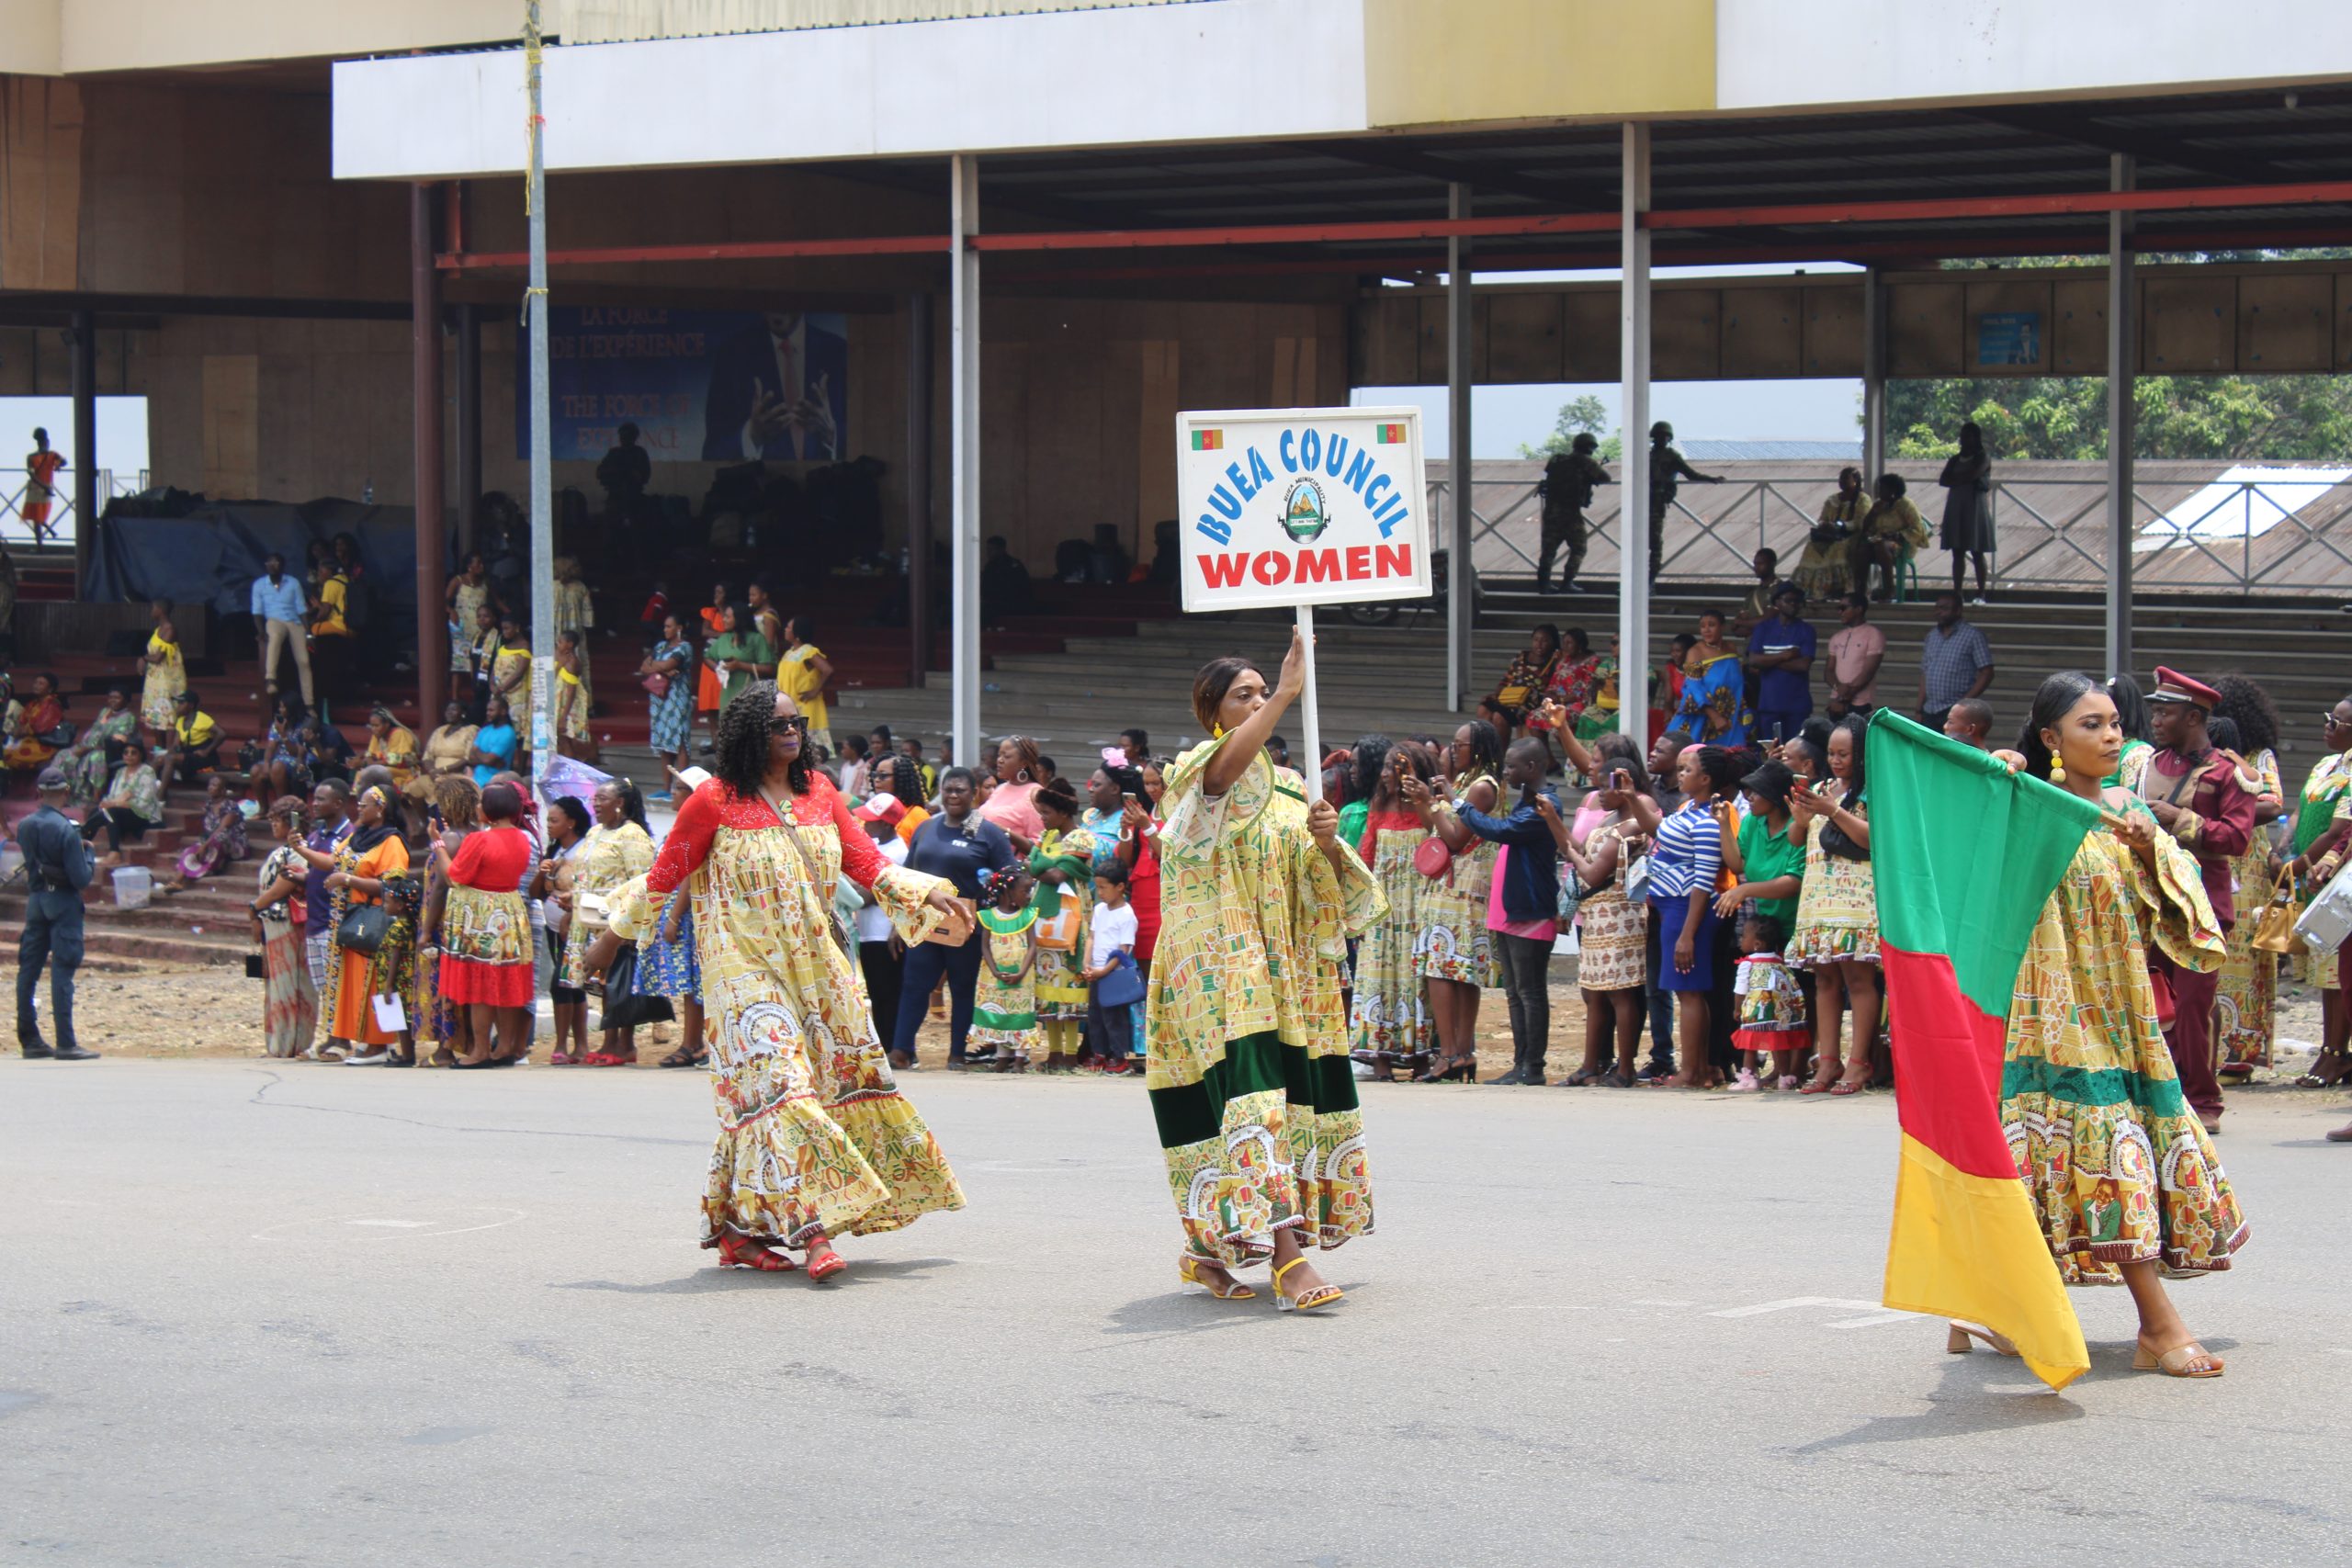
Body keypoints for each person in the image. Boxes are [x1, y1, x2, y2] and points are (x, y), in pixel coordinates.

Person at [601, 680, 968, 1278]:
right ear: (750, 732)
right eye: (779, 725)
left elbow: (868, 864)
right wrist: (604, 942)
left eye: (796, 722)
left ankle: (734, 1229)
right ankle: (816, 1231)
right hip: (742, 972)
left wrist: (928, 891)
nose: (792, 732)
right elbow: (664, 876)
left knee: (771, 1097)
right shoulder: (713, 801)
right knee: (784, 1090)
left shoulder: (821, 792)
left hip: (817, 968)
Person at [1984, 671, 2245, 1377]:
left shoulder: (2130, 806)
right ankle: (2157, 1325)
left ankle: (1989, 1304)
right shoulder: (2027, 801)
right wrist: (1999, 776)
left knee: (2094, 1150)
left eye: (2112, 723)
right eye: (2089, 724)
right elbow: (1970, 866)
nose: (2109, 734)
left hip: (2123, 1007)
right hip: (2054, 1010)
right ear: (2050, 739)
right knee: (2105, 1152)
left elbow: (2186, 905)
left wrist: (2147, 846)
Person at [1153, 632, 1383, 1310]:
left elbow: (1321, 892)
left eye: (1262, 690)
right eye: (1242, 694)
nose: (1257, 700)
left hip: (1282, 964)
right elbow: (1221, 779)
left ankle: (1207, 1251)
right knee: (1247, 1095)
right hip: (1216, 963)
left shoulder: (1289, 786)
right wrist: (1285, 691)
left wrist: (1327, 843)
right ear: (1212, 710)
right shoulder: (1193, 771)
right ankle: (1287, 1258)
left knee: (1271, 1100)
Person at [2138, 668, 2257, 1134]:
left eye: (2165, 712)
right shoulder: (2145, 765)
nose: (2156, 720)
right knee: (2150, 1000)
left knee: (2192, 1005)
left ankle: (2202, 1098)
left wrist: (2180, 819)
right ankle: (2160, 1091)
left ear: (2193, 716)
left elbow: (2237, 838)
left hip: (2201, 905)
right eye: (2155, 711)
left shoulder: (2230, 773)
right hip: (2149, 900)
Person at [1399, 722, 1505, 1083]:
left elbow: (1457, 839)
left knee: (1445, 970)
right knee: (1456, 972)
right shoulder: (1462, 785)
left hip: (1460, 891)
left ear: (1476, 750)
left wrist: (1434, 802)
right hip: (1448, 887)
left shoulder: (1482, 787)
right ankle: (1460, 1053)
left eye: (1460, 745)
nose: (1452, 751)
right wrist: (1422, 800)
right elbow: (1434, 826)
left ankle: (1449, 1053)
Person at [1453, 737, 1561, 1086]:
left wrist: (1460, 805)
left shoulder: (1545, 806)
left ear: (1532, 767)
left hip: (1530, 910)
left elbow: (1500, 831)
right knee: (1515, 993)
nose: (1507, 772)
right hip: (1512, 909)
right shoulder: (1527, 803)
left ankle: (1534, 1066)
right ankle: (1521, 1065)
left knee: (1530, 992)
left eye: (1513, 767)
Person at [894, 766, 1015, 1070]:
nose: (952, 795)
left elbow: (1011, 875)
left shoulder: (989, 833)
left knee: (963, 988)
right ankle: (902, 1049)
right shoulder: (926, 829)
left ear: (974, 794)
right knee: (914, 985)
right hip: (926, 922)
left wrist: (994, 914)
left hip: (967, 926)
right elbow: (908, 875)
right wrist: (899, 923)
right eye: (948, 789)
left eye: (960, 790)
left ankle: (957, 1053)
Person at [1544, 736, 1648, 1086]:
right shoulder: (1608, 821)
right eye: (1600, 786)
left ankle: (1625, 1068)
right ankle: (1590, 1064)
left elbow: (1589, 871)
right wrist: (1554, 823)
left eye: (1608, 787)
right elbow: (1578, 850)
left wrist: (1573, 858)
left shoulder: (1632, 824)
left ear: (1626, 786)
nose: (1600, 793)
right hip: (1597, 915)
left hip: (1620, 914)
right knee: (1594, 992)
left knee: (1621, 993)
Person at [1789, 716, 1879, 1096]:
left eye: (1845, 754)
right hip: (1817, 894)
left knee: (1858, 980)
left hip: (1856, 898)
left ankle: (1859, 1063)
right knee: (1824, 979)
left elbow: (1874, 839)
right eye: (1832, 753)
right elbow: (1798, 839)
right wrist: (1801, 819)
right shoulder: (1822, 787)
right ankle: (1827, 1060)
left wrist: (1833, 811)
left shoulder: (1873, 791)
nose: (1837, 760)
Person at [290, 783, 411, 1068]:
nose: (359, 808)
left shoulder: (392, 842)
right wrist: (301, 850)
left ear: (380, 809)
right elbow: (332, 861)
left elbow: (392, 885)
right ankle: (361, 1040)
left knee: (378, 982)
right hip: (350, 921)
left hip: (376, 920)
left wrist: (349, 881)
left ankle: (381, 1043)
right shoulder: (358, 838)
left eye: (365, 804)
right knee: (354, 983)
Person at [1644, 745, 1739, 1089]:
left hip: (1687, 908)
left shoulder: (1709, 820)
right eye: (1680, 769)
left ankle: (1690, 1071)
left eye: (1687, 769)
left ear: (1706, 778)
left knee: (1689, 990)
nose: (1681, 774)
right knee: (1688, 989)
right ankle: (1698, 1068)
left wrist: (1688, 932)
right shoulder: (1687, 808)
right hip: (1672, 905)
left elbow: (1703, 878)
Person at [2211, 675, 2285, 1080]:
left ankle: (2240, 1053)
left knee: (2245, 955)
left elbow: (2274, 803)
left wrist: (2228, 813)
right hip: (2216, 855)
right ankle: (2209, 1050)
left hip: (2247, 864)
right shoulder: (2208, 755)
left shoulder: (2258, 756)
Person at [434, 780, 537, 1068]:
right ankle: (504, 1047)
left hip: (481, 917)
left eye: (481, 803)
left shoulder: (480, 839)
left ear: (490, 808)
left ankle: (480, 1049)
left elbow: (454, 876)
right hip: (510, 911)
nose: (477, 807)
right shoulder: (522, 838)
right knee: (506, 980)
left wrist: (439, 845)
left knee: (481, 985)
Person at [1351, 740, 1437, 1078]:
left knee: (1413, 981)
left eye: (1397, 767)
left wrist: (1424, 799)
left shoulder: (1426, 804)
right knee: (1379, 980)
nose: (1387, 774)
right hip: (1385, 911)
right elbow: (1366, 856)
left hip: (1416, 908)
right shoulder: (1378, 804)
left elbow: (1437, 836)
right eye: (1387, 767)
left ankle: (1420, 1059)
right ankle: (1381, 1059)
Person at [560, 780, 658, 1067]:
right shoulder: (594, 832)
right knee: (603, 983)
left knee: (619, 980)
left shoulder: (633, 835)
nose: (596, 804)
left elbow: (641, 881)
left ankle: (622, 1044)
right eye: (595, 798)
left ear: (621, 803)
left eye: (602, 798)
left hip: (617, 921)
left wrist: (631, 925)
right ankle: (608, 1040)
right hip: (589, 918)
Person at [2279, 696, 2352, 1088]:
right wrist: (2289, 853)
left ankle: (2337, 1053)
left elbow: (2339, 830)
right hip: (2324, 880)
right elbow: (2302, 813)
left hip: (2336, 881)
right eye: (2329, 718)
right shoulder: (2327, 764)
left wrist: (2302, 864)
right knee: (2333, 972)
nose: (2328, 726)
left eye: (2337, 722)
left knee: (2339, 976)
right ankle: (2331, 1050)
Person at [15, 766, 97, 1060]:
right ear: (66, 792)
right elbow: (81, 879)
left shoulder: (25, 825)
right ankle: (66, 1041)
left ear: (39, 793)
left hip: (36, 900)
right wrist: (89, 852)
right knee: (62, 969)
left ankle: (29, 1038)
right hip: (62, 902)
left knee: (29, 969)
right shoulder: (66, 828)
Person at [1023, 778, 1098, 1072]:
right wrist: (1041, 862)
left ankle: (1069, 1054)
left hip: (1070, 922)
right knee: (1048, 988)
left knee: (1069, 988)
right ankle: (1053, 1052)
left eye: (1046, 813)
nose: (1042, 819)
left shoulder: (1081, 839)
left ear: (1063, 813)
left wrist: (1038, 861)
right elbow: (1038, 866)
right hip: (1044, 923)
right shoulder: (1049, 839)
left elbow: (1053, 875)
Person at [248, 795, 318, 1061]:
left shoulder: (299, 851)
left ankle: (294, 1043)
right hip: (273, 925)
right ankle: (277, 1042)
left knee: (294, 984)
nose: (272, 825)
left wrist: (254, 907)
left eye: (276, 820)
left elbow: (285, 885)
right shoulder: (279, 853)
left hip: (291, 925)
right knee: (276, 984)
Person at [850, 793, 911, 1058]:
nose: (866, 824)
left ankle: (892, 1047)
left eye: (872, 820)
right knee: (877, 991)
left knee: (889, 993)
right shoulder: (876, 846)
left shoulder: (898, 853)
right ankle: (884, 1046)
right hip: (868, 932)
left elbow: (876, 893)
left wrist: (853, 894)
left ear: (886, 824)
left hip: (884, 933)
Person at [299, 781, 356, 1059]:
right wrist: (299, 877)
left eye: (322, 799)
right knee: (324, 985)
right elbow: (316, 872)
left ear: (339, 803)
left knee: (336, 983)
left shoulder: (347, 835)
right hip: (315, 917)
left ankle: (341, 1039)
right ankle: (330, 1035)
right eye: (315, 798)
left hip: (334, 921)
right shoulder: (315, 834)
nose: (315, 803)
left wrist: (300, 851)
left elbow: (332, 863)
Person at [969, 865, 1043, 1071]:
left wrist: (1022, 971)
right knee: (999, 1013)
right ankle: (1002, 1057)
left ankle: (1019, 1058)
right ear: (1008, 892)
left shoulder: (1028, 915)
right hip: (994, 976)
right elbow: (985, 945)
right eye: (1025, 891)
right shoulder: (989, 916)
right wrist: (993, 970)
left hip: (1022, 976)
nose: (1028, 896)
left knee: (1019, 1014)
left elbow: (1032, 946)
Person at [1728, 913, 1806, 1093]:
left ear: (1757, 944)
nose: (1741, 940)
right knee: (1781, 1045)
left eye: (1744, 936)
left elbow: (1740, 990)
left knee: (1750, 1044)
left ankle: (1749, 1079)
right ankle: (1785, 1078)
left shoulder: (1747, 964)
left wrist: (1737, 1009)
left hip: (1756, 1012)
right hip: (1780, 1014)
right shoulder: (1780, 962)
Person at [1645, 421, 1722, 580]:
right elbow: (1691, 474)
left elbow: (1690, 474)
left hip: (1649, 504)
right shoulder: (1660, 456)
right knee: (1651, 545)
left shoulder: (1653, 456)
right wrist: (1712, 479)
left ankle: (1646, 581)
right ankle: (1645, 582)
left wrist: (1711, 479)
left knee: (1648, 544)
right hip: (1649, 504)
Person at [1082, 861, 1139, 1074]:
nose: (1100, 892)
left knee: (1114, 1017)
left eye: (1104, 887)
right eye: (1098, 887)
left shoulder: (1126, 915)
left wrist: (1104, 970)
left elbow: (1124, 949)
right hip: (1095, 972)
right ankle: (1100, 1053)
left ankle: (1119, 1056)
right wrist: (1087, 963)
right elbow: (1091, 937)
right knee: (1095, 1016)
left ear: (1120, 887)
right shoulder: (1099, 910)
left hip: (1113, 975)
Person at [1536, 433, 1609, 594]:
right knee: (1579, 547)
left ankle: (1543, 584)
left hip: (1551, 511)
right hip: (1570, 513)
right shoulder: (1585, 461)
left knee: (1549, 549)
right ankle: (1567, 582)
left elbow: (1545, 477)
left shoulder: (1557, 459)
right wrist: (1589, 477)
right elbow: (1605, 478)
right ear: (1589, 448)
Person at [1745, 583, 1815, 744]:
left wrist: (1769, 661)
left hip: (1797, 705)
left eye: (1797, 601)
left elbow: (1803, 665)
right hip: (1769, 703)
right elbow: (1754, 660)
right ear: (1777, 603)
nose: (1793, 604)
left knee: (1796, 751)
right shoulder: (1763, 628)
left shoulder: (1807, 630)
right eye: (1788, 600)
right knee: (1770, 751)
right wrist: (1787, 655)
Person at [1667, 610, 1749, 747]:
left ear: (1722, 627)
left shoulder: (1731, 648)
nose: (1706, 630)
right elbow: (1694, 688)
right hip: (1701, 717)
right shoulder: (1695, 652)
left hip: (1730, 716)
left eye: (1711, 625)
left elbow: (1736, 684)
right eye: (1702, 626)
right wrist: (1715, 716)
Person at [1917, 592, 1993, 732]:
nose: (1939, 612)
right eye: (1937, 608)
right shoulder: (1932, 636)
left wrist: (1965, 703)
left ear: (1958, 610)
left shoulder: (1973, 636)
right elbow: (1925, 673)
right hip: (1929, 709)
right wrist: (1919, 708)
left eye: (1944, 608)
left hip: (1955, 710)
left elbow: (1987, 672)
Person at [1938, 421, 1996, 604]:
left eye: (1968, 436)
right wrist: (1960, 479)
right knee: (1957, 551)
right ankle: (1958, 592)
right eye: (1962, 436)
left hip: (1974, 506)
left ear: (1975, 438)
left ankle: (1981, 592)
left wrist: (1956, 479)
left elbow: (1973, 474)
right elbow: (1943, 480)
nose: (1964, 440)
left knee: (1977, 550)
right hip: (1956, 506)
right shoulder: (1955, 459)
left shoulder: (1983, 457)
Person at [249, 552, 315, 707]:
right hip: (274, 620)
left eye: (276, 562)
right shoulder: (259, 584)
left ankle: (309, 703)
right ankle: (270, 679)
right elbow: (257, 611)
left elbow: (301, 608)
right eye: (269, 562)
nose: (272, 565)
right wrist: (260, 631)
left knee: (304, 661)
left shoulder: (293, 583)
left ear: (283, 565)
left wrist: (309, 633)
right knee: (275, 637)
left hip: (294, 621)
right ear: (266, 565)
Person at [1793, 468, 1867, 603]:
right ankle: (1814, 590)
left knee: (1838, 547)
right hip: (1830, 535)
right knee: (1811, 546)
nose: (1842, 482)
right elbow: (1822, 518)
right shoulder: (1832, 499)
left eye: (1846, 479)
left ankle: (1839, 588)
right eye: (1840, 479)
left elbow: (1861, 522)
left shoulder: (1862, 499)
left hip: (1850, 536)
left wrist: (1841, 525)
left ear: (1855, 481)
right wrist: (1824, 525)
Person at [1852, 473, 1928, 603]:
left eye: (1882, 488)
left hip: (1901, 544)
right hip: (1878, 541)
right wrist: (1873, 513)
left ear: (1893, 490)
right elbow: (1866, 527)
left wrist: (1896, 535)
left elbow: (1917, 529)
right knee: (1862, 549)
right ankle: (1861, 590)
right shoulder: (1879, 505)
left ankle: (1889, 589)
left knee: (1881, 546)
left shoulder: (1906, 505)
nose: (1879, 491)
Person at [58, 685, 138, 807]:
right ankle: (64, 795)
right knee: (64, 755)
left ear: (126, 700)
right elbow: (94, 731)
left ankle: (95, 798)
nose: (113, 700)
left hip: (111, 750)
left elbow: (116, 739)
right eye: (111, 697)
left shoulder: (128, 717)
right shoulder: (105, 712)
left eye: (117, 698)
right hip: (90, 746)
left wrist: (90, 748)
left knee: (96, 758)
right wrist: (85, 746)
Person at [84, 737, 164, 855]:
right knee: (97, 811)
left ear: (141, 755)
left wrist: (118, 803)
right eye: (126, 753)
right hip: (121, 811)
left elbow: (143, 803)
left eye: (133, 753)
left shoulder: (147, 771)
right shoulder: (120, 772)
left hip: (142, 815)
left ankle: (114, 852)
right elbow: (111, 796)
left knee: (111, 812)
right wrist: (109, 803)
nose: (129, 756)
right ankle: (84, 841)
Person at [643, 613, 696, 790]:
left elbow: (665, 664)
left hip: (677, 697)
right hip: (659, 698)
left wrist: (658, 666)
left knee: (679, 740)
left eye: (669, 626)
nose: (665, 629)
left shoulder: (685, 647)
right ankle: (666, 788)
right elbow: (644, 667)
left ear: (679, 628)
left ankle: (682, 788)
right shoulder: (660, 646)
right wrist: (665, 670)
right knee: (664, 742)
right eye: (664, 626)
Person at [174, 773, 248, 883]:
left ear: (223, 790)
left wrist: (204, 846)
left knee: (219, 839)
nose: (210, 787)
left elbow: (222, 828)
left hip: (234, 845)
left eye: (214, 785)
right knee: (191, 850)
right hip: (212, 842)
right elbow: (207, 831)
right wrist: (202, 845)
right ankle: (176, 882)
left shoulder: (231, 805)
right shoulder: (208, 806)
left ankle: (208, 869)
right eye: (210, 784)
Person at [1824, 592, 1885, 722]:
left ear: (1859, 609)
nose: (1840, 612)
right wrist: (1838, 689)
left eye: (1844, 608)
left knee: (1858, 740)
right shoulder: (1836, 637)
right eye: (1838, 608)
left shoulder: (1874, 634)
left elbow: (1868, 672)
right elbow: (1829, 670)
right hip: (1837, 701)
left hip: (1860, 703)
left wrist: (1845, 696)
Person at [976, 734, 1046, 845]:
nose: (999, 760)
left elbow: (1040, 846)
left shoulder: (1035, 794)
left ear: (1023, 763)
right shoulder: (1000, 788)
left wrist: (1005, 832)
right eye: (999, 755)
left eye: (1006, 756)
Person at [776, 615, 833, 751]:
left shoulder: (808, 651)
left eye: (789, 627)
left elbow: (827, 670)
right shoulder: (789, 652)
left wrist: (815, 691)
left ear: (797, 633)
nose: (785, 629)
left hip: (805, 706)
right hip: (791, 706)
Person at [703, 603, 772, 714]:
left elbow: (769, 668)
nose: (724, 620)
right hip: (727, 695)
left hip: (750, 696)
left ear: (739, 619)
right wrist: (719, 668)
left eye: (728, 617)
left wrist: (740, 665)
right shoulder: (724, 638)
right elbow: (707, 657)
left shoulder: (756, 639)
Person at [410, 700, 480, 805]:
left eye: (453, 710)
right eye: (447, 710)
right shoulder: (439, 731)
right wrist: (433, 771)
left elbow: (467, 758)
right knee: (412, 788)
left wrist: (443, 770)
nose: (449, 712)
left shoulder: (471, 730)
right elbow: (428, 756)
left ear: (463, 713)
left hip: (457, 775)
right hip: (434, 775)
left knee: (444, 793)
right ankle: (422, 821)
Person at [137, 601, 185, 746]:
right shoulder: (158, 629)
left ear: (160, 610)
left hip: (168, 680)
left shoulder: (170, 629)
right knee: (157, 717)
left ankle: (169, 752)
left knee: (168, 715)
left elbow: (158, 657)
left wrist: (143, 658)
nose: (151, 611)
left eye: (153, 608)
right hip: (155, 680)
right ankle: (159, 751)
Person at [1, 671, 65, 772]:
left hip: (43, 743)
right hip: (25, 740)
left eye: (41, 684)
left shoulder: (53, 705)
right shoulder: (32, 704)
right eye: (36, 683)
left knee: (8, 754)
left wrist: (23, 731)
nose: (36, 686)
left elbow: (42, 728)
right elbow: (21, 722)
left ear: (50, 689)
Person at [160, 688, 224, 785]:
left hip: (203, 757)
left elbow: (222, 734)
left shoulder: (202, 718)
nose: (177, 706)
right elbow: (176, 744)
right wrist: (172, 749)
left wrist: (206, 751)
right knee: (159, 760)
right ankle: (152, 789)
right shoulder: (180, 720)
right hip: (189, 755)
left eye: (181, 703)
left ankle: (160, 797)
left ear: (191, 705)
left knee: (170, 759)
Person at [553, 628, 597, 762]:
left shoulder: (573, 662)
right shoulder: (560, 658)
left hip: (567, 707)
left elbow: (571, 692)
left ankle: (570, 770)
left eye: (561, 642)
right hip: (559, 703)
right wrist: (560, 664)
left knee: (564, 740)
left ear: (570, 644)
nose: (558, 644)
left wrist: (563, 717)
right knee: (562, 741)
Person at [979, 534, 1035, 626]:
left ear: (1001, 550)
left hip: (1013, 604)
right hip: (996, 603)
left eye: (992, 550)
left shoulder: (1014, 566)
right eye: (988, 550)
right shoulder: (990, 566)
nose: (989, 553)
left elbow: (1018, 590)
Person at [595, 423, 651, 513]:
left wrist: (631, 473)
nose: (623, 437)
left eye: (627, 435)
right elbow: (599, 472)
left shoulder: (639, 453)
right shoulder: (613, 453)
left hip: (634, 499)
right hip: (615, 498)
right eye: (622, 435)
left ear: (634, 437)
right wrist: (612, 472)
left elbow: (644, 476)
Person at [23, 426, 63, 545]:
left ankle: (40, 544)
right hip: (46, 487)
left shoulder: (31, 457)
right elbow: (64, 461)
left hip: (35, 488)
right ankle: (48, 534)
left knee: (36, 517)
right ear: (47, 441)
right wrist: (58, 465)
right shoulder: (53, 455)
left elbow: (31, 474)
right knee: (39, 516)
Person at [361, 705, 419, 790]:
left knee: (382, 772)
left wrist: (372, 765)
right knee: (361, 773)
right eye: (371, 726)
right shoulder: (377, 735)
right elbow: (370, 753)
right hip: (382, 767)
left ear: (387, 724)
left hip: (403, 771)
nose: (373, 729)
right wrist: (368, 760)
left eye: (377, 726)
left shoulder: (400, 733)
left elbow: (395, 760)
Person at [470, 695, 518, 787]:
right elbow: (470, 758)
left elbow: (488, 760)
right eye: (487, 710)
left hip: (495, 785)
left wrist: (476, 749)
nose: (488, 713)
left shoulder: (507, 733)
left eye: (491, 710)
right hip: (476, 783)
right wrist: (489, 761)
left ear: (503, 711)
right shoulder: (485, 730)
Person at [1733, 548, 1781, 634]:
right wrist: (1753, 625)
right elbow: (1736, 630)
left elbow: (1767, 620)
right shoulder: (1752, 593)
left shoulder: (1781, 589)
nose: (1756, 568)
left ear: (1773, 564)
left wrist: (1740, 622)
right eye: (1755, 564)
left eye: (1761, 564)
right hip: (1752, 645)